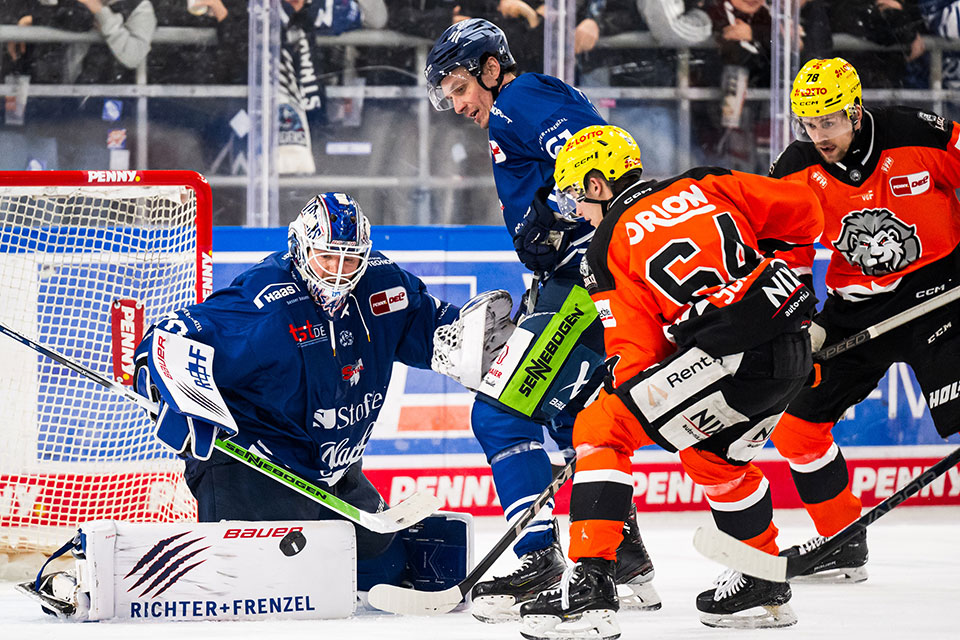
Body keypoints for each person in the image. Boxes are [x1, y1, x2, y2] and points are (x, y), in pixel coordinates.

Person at [518, 124, 825, 638]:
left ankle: (589, 588)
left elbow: (640, 357)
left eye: (578, 199)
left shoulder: (607, 249)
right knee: (709, 453)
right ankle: (762, 580)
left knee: (601, 426)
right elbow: (807, 211)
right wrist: (779, 284)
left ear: (598, 185)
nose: (580, 214)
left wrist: (619, 387)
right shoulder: (705, 182)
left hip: (730, 359)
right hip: (790, 349)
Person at [423, 17, 659, 621]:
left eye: (459, 87)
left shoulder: (523, 97)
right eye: (447, 94)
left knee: (501, 412)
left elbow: (605, 172)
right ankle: (623, 557)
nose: (457, 103)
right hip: (577, 279)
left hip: (581, 283)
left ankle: (540, 562)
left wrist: (582, 243)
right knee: (573, 420)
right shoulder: (518, 106)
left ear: (492, 68)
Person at [132, 192, 475, 592]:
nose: (337, 272)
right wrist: (177, 395)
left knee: (384, 565)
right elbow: (169, 337)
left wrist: (481, 341)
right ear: (299, 249)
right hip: (252, 466)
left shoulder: (382, 285)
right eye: (326, 257)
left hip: (329, 473)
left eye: (350, 260)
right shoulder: (265, 302)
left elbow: (435, 326)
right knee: (264, 589)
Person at [768, 57, 960, 581]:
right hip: (855, 311)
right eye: (807, 123)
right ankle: (841, 539)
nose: (817, 134)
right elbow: (786, 254)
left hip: (940, 295)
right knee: (796, 429)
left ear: (855, 112)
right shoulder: (794, 169)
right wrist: (801, 318)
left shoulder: (915, 133)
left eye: (827, 121)